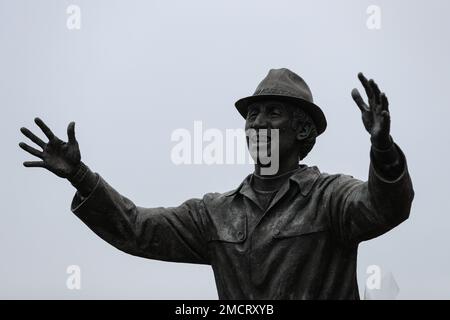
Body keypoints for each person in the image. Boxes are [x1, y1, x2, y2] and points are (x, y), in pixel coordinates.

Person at [19, 68, 414, 299]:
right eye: (252, 114)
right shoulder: (215, 213)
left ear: (303, 130)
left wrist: (382, 148)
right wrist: (79, 174)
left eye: (273, 112)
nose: (257, 122)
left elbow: (386, 207)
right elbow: (137, 228)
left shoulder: (331, 198)